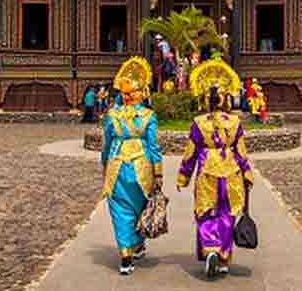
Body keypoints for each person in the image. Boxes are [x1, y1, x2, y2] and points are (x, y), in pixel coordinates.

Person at [178, 58, 253, 279]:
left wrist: (183, 176)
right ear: (226, 98)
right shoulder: (235, 122)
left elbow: (191, 152)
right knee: (227, 214)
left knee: (206, 213)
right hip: (230, 171)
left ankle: (210, 247)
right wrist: (247, 173)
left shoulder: (199, 123)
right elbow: (241, 151)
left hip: (207, 171)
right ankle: (223, 257)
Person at [101, 57, 163, 276]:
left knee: (120, 210)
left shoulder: (112, 115)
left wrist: (104, 165)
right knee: (139, 207)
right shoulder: (148, 116)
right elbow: (154, 147)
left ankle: (126, 255)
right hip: (141, 166)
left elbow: (107, 144)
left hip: (116, 165)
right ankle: (136, 244)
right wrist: (158, 173)